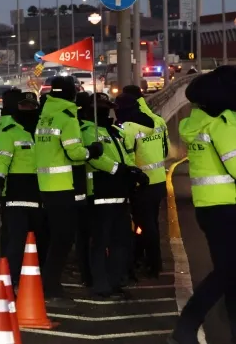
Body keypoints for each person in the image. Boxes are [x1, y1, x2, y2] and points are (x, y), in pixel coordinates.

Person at [169, 67, 236, 344]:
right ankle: (187, 324)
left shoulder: (197, 123)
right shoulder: (222, 123)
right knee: (228, 272)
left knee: (230, 272)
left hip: (210, 207)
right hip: (229, 207)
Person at [35, 76, 104, 306]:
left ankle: (49, 284)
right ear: (72, 94)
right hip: (62, 185)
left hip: (45, 184)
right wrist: (92, 151)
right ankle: (51, 289)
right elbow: (74, 153)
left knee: (56, 237)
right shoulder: (67, 116)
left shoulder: (45, 115)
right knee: (63, 239)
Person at [81, 93, 149, 298]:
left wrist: (133, 171)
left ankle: (115, 281)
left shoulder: (115, 131)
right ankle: (100, 285)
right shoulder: (86, 130)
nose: (105, 110)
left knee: (121, 242)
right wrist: (118, 169)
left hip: (121, 194)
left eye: (107, 106)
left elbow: (127, 154)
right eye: (100, 107)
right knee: (101, 242)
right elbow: (94, 158)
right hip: (100, 194)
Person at [0, 91, 46, 288]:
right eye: (24, 106)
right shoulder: (10, 132)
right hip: (15, 195)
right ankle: (11, 279)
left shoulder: (43, 131)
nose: (27, 109)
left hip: (40, 194)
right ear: (18, 108)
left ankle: (34, 279)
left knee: (39, 240)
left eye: (31, 106)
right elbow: (1, 159)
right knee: (15, 241)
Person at [115, 92, 168, 278]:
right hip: (159, 179)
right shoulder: (158, 121)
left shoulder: (128, 128)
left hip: (141, 182)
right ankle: (152, 260)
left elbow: (127, 157)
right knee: (152, 222)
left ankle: (151, 263)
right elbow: (166, 148)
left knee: (143, 224)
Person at [0, 88, 22, 257]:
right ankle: (8, 263)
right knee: (12, 229)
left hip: (3, 182)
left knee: (7, 226)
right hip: (11, 184)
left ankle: (5, 261)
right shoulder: (12, 125)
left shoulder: (0, 124)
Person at [74, 91, 93, 287]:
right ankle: (86, 273)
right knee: (85, 233)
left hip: (64, 189)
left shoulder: (70, 124)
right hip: (86, 190)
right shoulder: (88, 129)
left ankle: (83, 271)